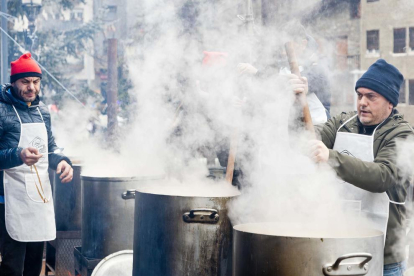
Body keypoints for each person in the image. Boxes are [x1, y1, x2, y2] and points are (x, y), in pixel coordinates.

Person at [306, 59, 413, 275]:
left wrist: (331, 157)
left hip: (386, 258)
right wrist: (297, 101)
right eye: (359, 95)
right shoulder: (342, 123)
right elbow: (307, 139)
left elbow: (383, 176)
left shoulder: (401, 134)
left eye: (371, 97)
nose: (362, 102)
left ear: (390, 103)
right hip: (341, 248)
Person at [0, 53, 73, 276]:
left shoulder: (42, 112)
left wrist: (62, 161)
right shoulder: (2, 110)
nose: (31, 87)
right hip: (8, 199)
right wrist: (18, 155)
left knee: (34, 262)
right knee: (13, 265)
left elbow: (50, 147)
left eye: (36, 81)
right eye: (25, 81)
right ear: (13, 82)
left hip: (37, 198)